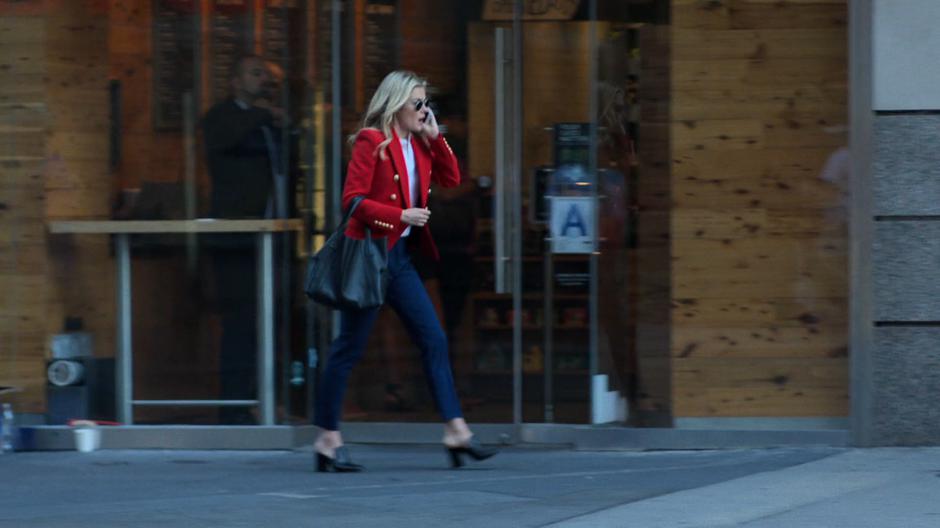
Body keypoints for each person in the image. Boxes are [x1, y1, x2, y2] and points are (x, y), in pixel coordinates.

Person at [313, 70, 497, 472]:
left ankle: (456, 431)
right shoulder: (371, 141)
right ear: (395, 104)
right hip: (371, 256)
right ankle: (328, 437)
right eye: (417, 103)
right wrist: (400, 214)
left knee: (433, 338)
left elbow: (452, 178)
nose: (424, 109)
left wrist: (436, 138)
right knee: (349, 348)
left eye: (426, 102)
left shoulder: (420, 144)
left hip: (399, 259)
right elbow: (352, 201)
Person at [202, 55, 285, 424]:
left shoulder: (266, 122)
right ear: (235, 81)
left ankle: (262, 400)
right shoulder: (220, 118)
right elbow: (228, 136)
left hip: (268, 236)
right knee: (239, 323)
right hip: (234, 238)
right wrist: (268, 115)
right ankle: (233, 407)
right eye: (255, 73)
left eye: (266, 75)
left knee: (266, 322)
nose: (263, 79)